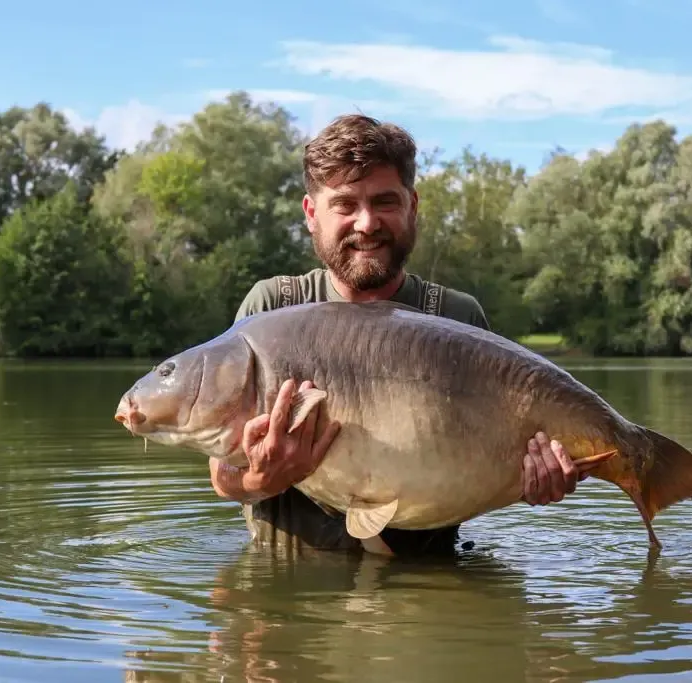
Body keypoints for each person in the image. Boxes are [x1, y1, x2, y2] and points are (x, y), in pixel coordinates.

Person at [208, 114, 584, 558]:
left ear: (412, 205)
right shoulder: (270, 309)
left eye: (385, 202)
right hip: (286, 592)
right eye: (345, 204)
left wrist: (528, 482)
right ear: (312, 214)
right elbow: (222, 474)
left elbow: (478, 473)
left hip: (427, 587)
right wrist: (259, 479)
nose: (367, 223)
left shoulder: (455, 317)